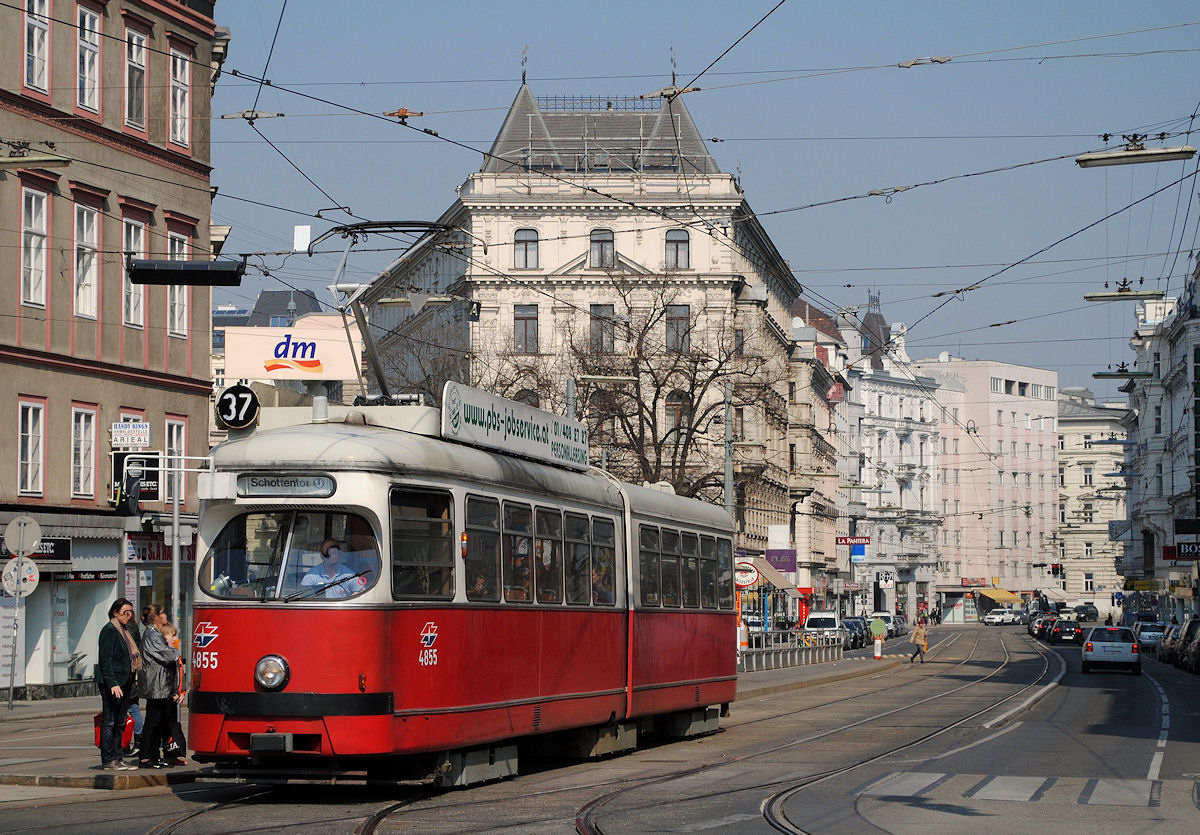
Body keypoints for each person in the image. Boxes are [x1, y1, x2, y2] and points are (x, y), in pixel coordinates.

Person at [95, 598, 140, 771]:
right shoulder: (109, 630)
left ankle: (119, 757)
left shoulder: (125, 630)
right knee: (110, 721)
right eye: (125, 612)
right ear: (115, 613)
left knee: (121, 721)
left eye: (130, 612)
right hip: (112, 683)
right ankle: (108, 760)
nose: (129, 615)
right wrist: (112, 684)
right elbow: (105, 660)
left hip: (126, 680)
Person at [137, 604, 179, 769]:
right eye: (162, 612)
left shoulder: (156, 635)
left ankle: (154, 755)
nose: (165, 614)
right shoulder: (152, 635)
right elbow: (168, 656)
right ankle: (146, 756)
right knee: (153, 722)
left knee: (159, 721)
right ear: (156, 617)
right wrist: (174, 651)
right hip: (156, 684)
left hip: (162, 685)